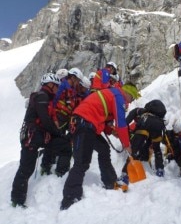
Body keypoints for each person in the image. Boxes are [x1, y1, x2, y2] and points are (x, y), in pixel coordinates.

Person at [60, 82, 140, 210]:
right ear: (128, 93)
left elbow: (104, 119)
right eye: (132, 98)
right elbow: (121, 124)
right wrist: (127, 144)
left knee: (104, 149)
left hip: (86, 124)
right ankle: (69, 199)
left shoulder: (113, 94)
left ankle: (110, 181)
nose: (130, 102)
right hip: (84, 124)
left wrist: (112, 131)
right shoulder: (118, 97)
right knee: (81, 163)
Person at [11, 73, 62, 208]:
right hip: (32, 137)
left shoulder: (44, 98)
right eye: (56, 86)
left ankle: (48, 166)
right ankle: (17, 200)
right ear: (50, 85)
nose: (57, 89)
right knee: (26, 168)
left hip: (35, 136)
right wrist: (57, 133)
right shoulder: (42, 97)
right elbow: (45, 119)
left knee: (27, 167)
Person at [40, 67, 84, 177]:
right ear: (73, 78)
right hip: (58, 117)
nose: (78, 83)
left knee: (58, 141)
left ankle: (49, 164)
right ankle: (47, 166)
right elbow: (54, 100)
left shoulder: (71, 90)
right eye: (77, 80)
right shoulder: (62, 86)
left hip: (65, 119)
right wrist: (53, 117)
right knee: (54, 140)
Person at [118, 99, 167, 184]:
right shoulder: (157, 115)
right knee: (157, 148)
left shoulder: (140, 111)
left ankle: (125, 175)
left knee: (135, 150)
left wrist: (124, 126)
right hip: (159, 125)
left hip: (146, 123)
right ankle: (160, 170)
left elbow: (128, 119)